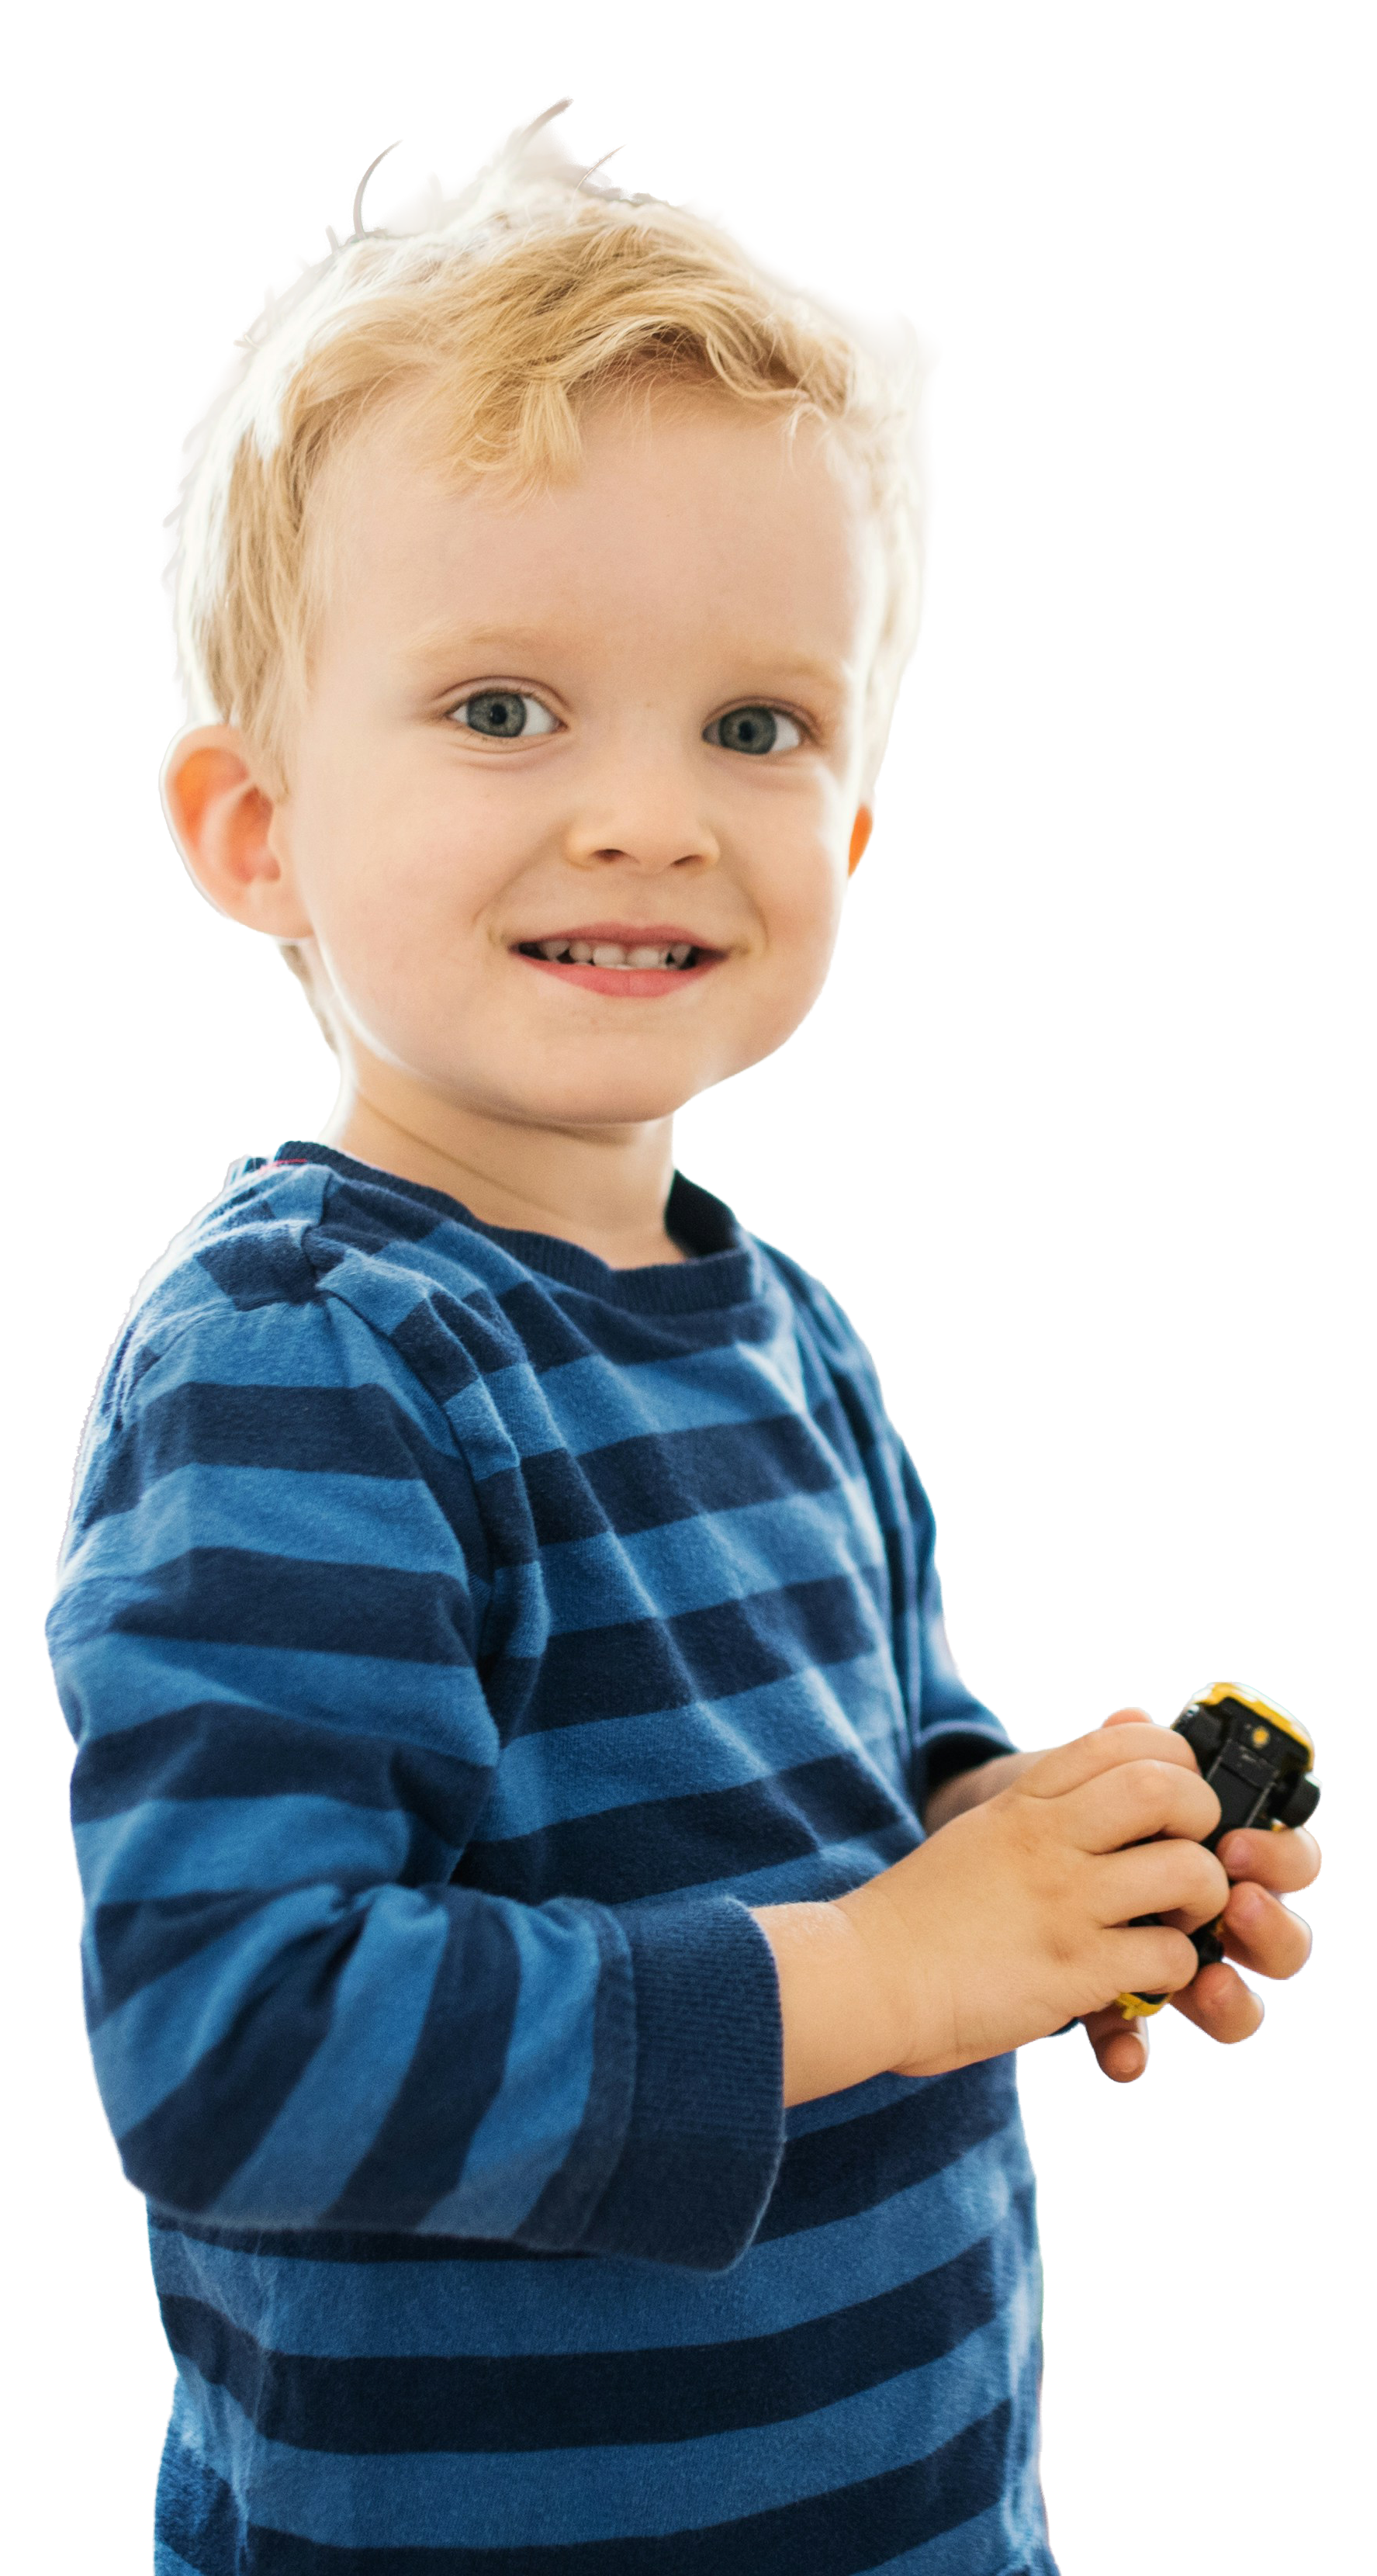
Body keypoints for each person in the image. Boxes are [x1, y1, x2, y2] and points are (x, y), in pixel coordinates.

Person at [48, 102, 1318, 2575]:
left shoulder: (787, 1330)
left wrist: (1038, 1873)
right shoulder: (306, 1356)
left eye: (753, 726)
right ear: (252, 828)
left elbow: (839, 1801)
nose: (646, 814)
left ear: (845, 846)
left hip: (909, 2505)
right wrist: (881, 1969)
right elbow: (237, 2046)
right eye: (503, 707)